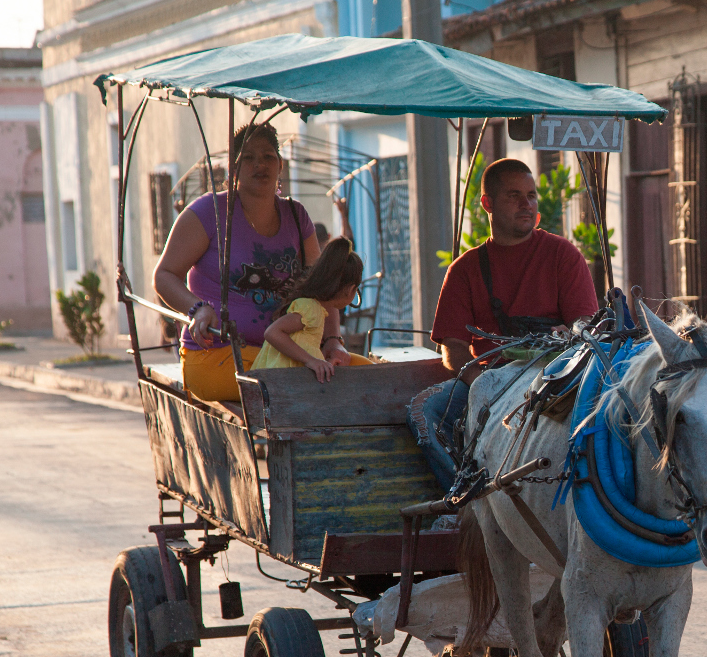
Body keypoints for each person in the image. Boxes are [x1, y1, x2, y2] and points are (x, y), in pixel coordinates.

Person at [413, 157, 599, 490]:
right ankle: (466, 497)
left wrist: (571, 333)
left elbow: (586, 323)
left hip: (556, 377)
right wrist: (480, 384)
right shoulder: (464, 270)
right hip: (489, 378)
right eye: (514, 196)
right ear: (488, 203)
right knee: (424, 413)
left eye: (531, 195)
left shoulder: (563, 255)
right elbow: (452, 349)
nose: (526, 204)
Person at [153, 124, 349, 401]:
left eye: (268, 156)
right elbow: (164, 275)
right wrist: (197, 309)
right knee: (298, 387)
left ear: (280, 165)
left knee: (366, 377)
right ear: (233, 168)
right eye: (248, 157)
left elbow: (322, 287)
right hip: (218, 355)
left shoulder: (296, 215)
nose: (260, 165)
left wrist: (332, 342)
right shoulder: (207, 213)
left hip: (290, 353)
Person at [252, 237, 372, 381]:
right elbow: (272, 332)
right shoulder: (312, 309)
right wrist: (311, 360)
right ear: (351, 289)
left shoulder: (317, 309)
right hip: (281, 383)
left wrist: (324, 363)